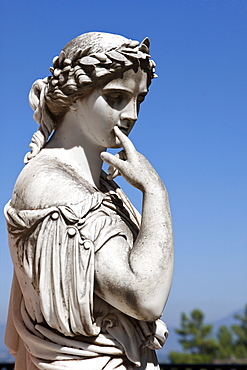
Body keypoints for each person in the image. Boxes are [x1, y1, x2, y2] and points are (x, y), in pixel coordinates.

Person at [5, 32, 174, 370]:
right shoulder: (50, 187)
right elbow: (144, 297)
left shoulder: (102, 187)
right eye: (115, 97)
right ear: (74, 97)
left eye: (139, 99)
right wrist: (155, 191)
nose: (132, 115)